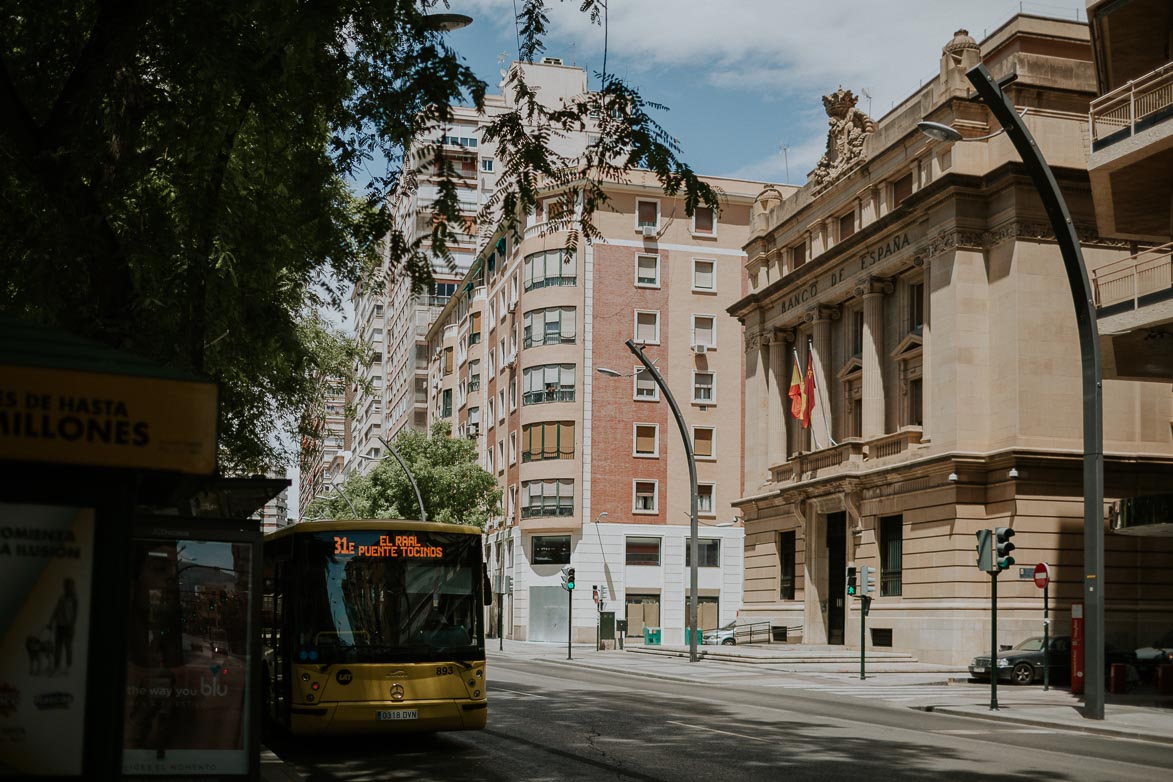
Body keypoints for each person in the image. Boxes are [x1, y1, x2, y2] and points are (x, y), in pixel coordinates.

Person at [49, 577, 79, 675]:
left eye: (68, 585)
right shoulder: (61, 598)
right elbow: (56, 610)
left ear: (71, 587)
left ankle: (68, 667)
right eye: (65, 585)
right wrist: (51, 621)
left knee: (68, 647)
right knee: (58, 647)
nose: (66, 587)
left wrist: (72, 625)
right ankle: (56, 666)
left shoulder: (74, 599)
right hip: (59, 626)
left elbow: (75, 614)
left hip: (68, 627)